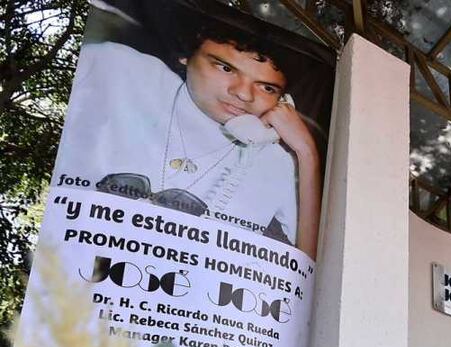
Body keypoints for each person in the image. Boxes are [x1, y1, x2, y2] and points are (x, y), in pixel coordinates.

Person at [53, 21, 322, 258]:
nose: (243, 94)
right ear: (186, 55)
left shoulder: (275, 162)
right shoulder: (120, 69)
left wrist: (307, 152)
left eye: (266, 87)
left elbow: (305, 269)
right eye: (225, 68)